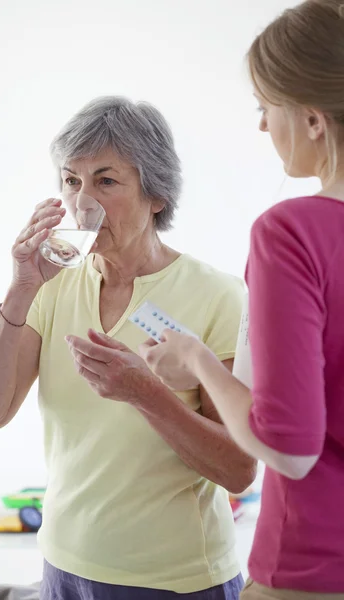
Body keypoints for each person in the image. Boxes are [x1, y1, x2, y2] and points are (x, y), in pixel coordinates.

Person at [0, 96, 256, 600]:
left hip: (174, 581)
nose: (81, 203)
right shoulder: (51, 286)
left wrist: (145, 393)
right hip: (64, 566)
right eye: (70, 180)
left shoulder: (219, 295)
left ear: (156, 195)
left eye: (106, 181)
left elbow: (238, 469)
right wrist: (21, 287)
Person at [139, 1, 344, 599]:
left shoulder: (293, 231)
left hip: (314, 570)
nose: (262, 126)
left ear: (311, 118)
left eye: (266, 107)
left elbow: (290, 446)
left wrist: (198, 361)